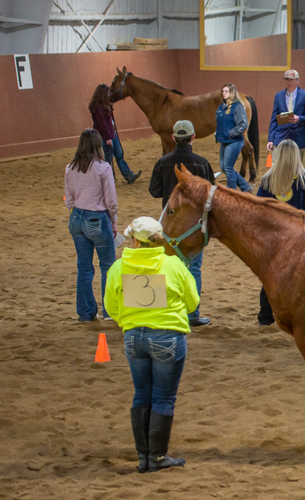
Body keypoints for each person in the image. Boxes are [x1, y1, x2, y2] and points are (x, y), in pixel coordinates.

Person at [104, 216, 198, 474]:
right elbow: (192, 302)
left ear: (134, 240)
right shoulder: (174, 265)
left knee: (141, 394)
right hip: (168, 337)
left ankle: (143, 456)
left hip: (134, 337)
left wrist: (132, 320)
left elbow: (111, 307)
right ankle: (157, 457)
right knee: (164, 397)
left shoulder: (118, 267)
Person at [148, 120, 214, 328]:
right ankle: (192, 314)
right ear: (193, 137)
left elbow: (154, 191)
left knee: (166, 266)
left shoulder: (162, 162)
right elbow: (212, 193)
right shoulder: (202, 163)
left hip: (170, 225)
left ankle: (166, 311)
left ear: (174, 138)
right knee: (194, 267)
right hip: (193, 226)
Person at [256, 140, 305, 326]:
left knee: (270, 277)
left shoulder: (267, 180)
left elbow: (259, 209)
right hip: (296, 236)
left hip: (273, 237)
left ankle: (265, 316)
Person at [65, 128, 118, 322]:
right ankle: (109, 311)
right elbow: (111, 200)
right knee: (108, 266)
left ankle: (86, 312)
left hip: (76, 218)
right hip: (97, 218)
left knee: (84, 268)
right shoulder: (103, 168)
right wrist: (113, 221)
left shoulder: (70, 168)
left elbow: (68, 200)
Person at [88, 83, 141, 184]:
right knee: (108, 157)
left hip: (111, 133)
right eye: (107, 93)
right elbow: (102, 124)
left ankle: (128, 175)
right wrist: (107, 138)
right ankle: (109, 178)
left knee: (119, 154)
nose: (109, 95)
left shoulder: (104, 106)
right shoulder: (98, 109)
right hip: (106, 135)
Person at [269, 69, 305, 157]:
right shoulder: (278, 96)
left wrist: (299, 119)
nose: (289, 82)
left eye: (292, 79)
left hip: (299, 137)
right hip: (280, 137)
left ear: (298, 80)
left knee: (296, 169)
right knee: (277, 167)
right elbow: (274, 119)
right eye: (287, 79)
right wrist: (270, 139)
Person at [214, 83, 252, 192]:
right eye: (223, 91)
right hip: (224, 141)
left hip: (234, 141)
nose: (223, 93)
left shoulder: (238, 107)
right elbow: (220, 123)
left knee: (228, 167)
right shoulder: (221, 107)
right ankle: (245, 186)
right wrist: (218, 133)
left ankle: (232, 192)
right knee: (224, 167)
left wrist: (231, 133)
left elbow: (243, 124)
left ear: (232, 93)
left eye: (226, 91)